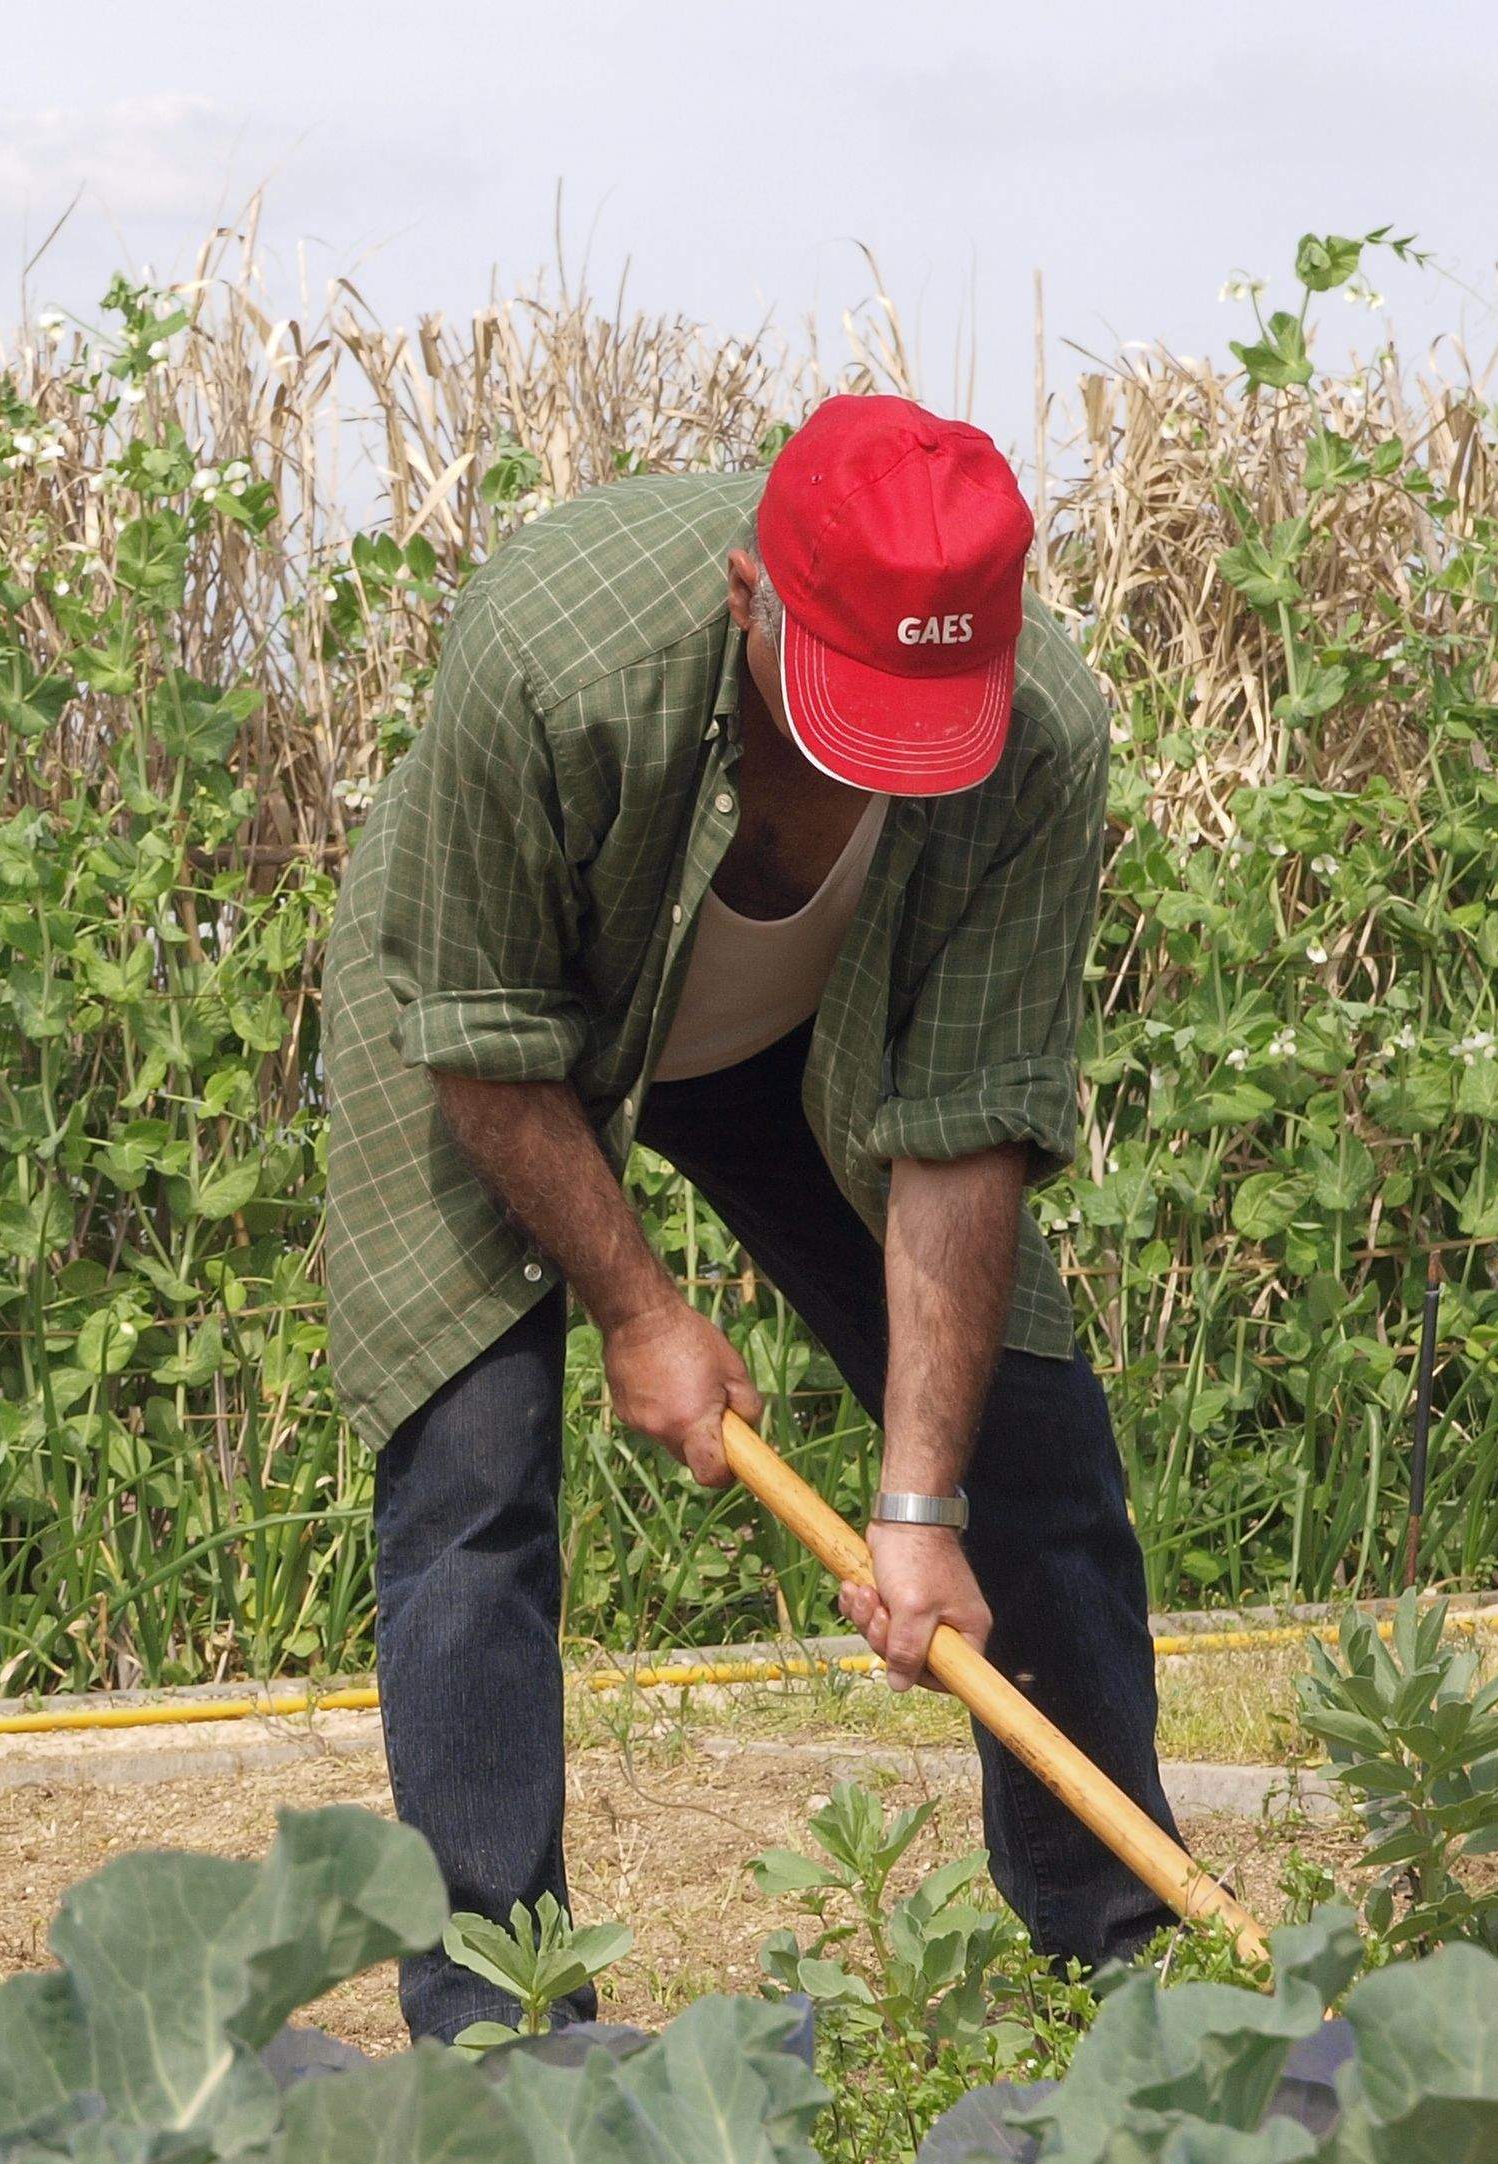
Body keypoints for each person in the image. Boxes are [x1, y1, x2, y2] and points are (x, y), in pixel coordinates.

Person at [319, 394, 1185, 2040]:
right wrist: (643, 1312)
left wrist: (921, 1502)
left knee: (1035, 1454)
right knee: (476, 1462)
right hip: (499, 1017)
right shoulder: (552, 662)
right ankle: (501, 2027)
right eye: (857, 707)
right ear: (747, 600)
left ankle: (1127, 1966)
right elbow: (483, 1027)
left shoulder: (1040, 740)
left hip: (805, 1040)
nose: (893, 761)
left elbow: (965, 1128)